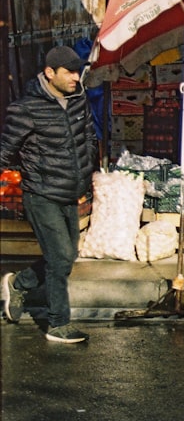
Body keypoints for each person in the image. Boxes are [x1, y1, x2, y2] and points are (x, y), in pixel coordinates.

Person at [1, 45, 98, 343]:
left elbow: (88, 138)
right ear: (49, 73)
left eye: (77, 70)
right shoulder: (26, 109)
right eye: (68, 71)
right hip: (41, 195)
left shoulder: (79, 99)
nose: (75, 76)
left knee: (66, 258)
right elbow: (5, 151)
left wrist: (87, 174)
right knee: (60, 258)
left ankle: (18, 283)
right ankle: (58, 323)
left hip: (70, 194)